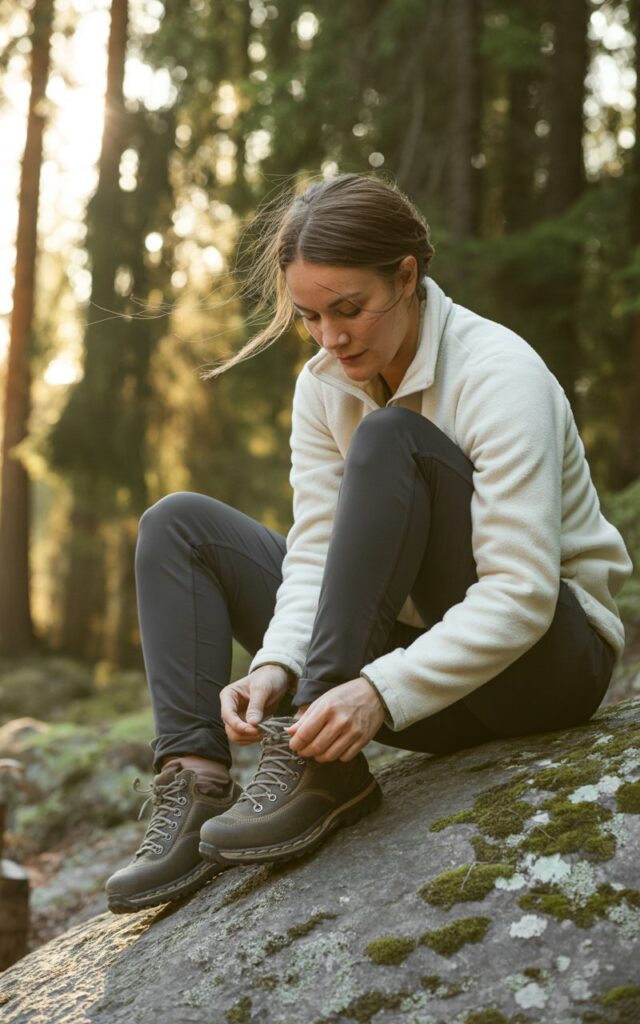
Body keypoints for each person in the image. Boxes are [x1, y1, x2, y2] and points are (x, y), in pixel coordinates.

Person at [105, 172, 632, 914]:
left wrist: (377, 692)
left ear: (407, 276)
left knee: (392, 441)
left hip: (543, 670)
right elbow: (315, 550)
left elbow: (522, 594)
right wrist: (278, 663)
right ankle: (197, 782)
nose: (330, 338)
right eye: (310, 316)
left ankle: (319, 762)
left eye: (348, 309)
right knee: (177, 523)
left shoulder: (498, 372)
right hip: (419, 685)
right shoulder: (323, 385)